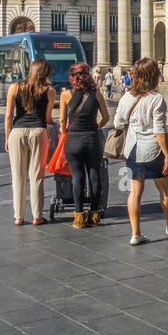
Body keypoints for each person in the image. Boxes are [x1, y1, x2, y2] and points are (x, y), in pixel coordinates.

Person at [117, 57, 168, 244]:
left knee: (135, 192)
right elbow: (159, 130)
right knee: (165, 190)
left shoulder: (126, 97)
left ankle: (135, 233)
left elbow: (118, 122)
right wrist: (167, 155)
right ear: (154, 76)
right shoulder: (156, 99)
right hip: (153, 151)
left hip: (132, 149)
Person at [58, 61, 111, 228]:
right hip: (92, 139)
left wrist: (65, 131)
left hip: (73, 140)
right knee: (94, 176)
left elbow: (62, 121)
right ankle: (94, 215)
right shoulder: (96, 93)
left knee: (77, 177)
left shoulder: (66, 95)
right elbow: (106, 117)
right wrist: (97, 127)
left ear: (72, 77)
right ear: (87, 75)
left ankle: (79, 217)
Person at [4, 58, 55, 226]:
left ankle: (18, 217)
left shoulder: (14, 87)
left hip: (17, 132)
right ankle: (37, 216)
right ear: (45, 73)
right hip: (39, 132)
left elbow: (9, 116)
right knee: (37, 176)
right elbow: (47, 118)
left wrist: (7, 137)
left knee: (18, 176)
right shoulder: (49, 91)